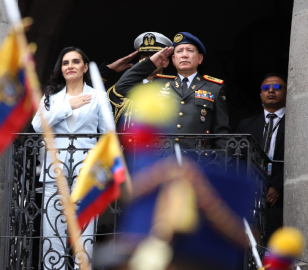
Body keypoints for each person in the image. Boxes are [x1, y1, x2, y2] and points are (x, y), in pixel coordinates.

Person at [31, 47, 115, 270]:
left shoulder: (97, 96)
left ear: (85, 67)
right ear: (61, 68)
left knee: (85, 227)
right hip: (54, 169)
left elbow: (108, 131)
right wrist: (68, 106)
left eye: (75, 62)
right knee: (52, 226)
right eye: (66, 62)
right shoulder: (51, 97)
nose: (70, 66)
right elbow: (37, 125)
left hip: (85, 169)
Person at [115, 32, 230, 147]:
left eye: (190, 50)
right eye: (179, 51)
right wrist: (150, 63)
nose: (184, 55)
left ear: (200, 58)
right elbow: (121, 88)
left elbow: (222, 135)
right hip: (162, 161)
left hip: (198, 162)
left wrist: (217, 163)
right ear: (173, 59)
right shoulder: (158, 84)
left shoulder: (214, 88)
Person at [237, 73, 286, 241]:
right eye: (266, 88)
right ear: (260, 95)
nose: (271, 90)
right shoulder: (247, 124)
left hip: (282, 195)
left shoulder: (295, 122)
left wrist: (277, 185)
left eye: (277, 87)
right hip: (253, 192)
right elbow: (239, 159)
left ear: (287, 92)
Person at [106, 32, 172, 129]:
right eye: (145, 57)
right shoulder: (122, 88)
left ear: (165, 62)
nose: (150, 60)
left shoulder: (173, 87)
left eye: (154, 55)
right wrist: (108, 70)